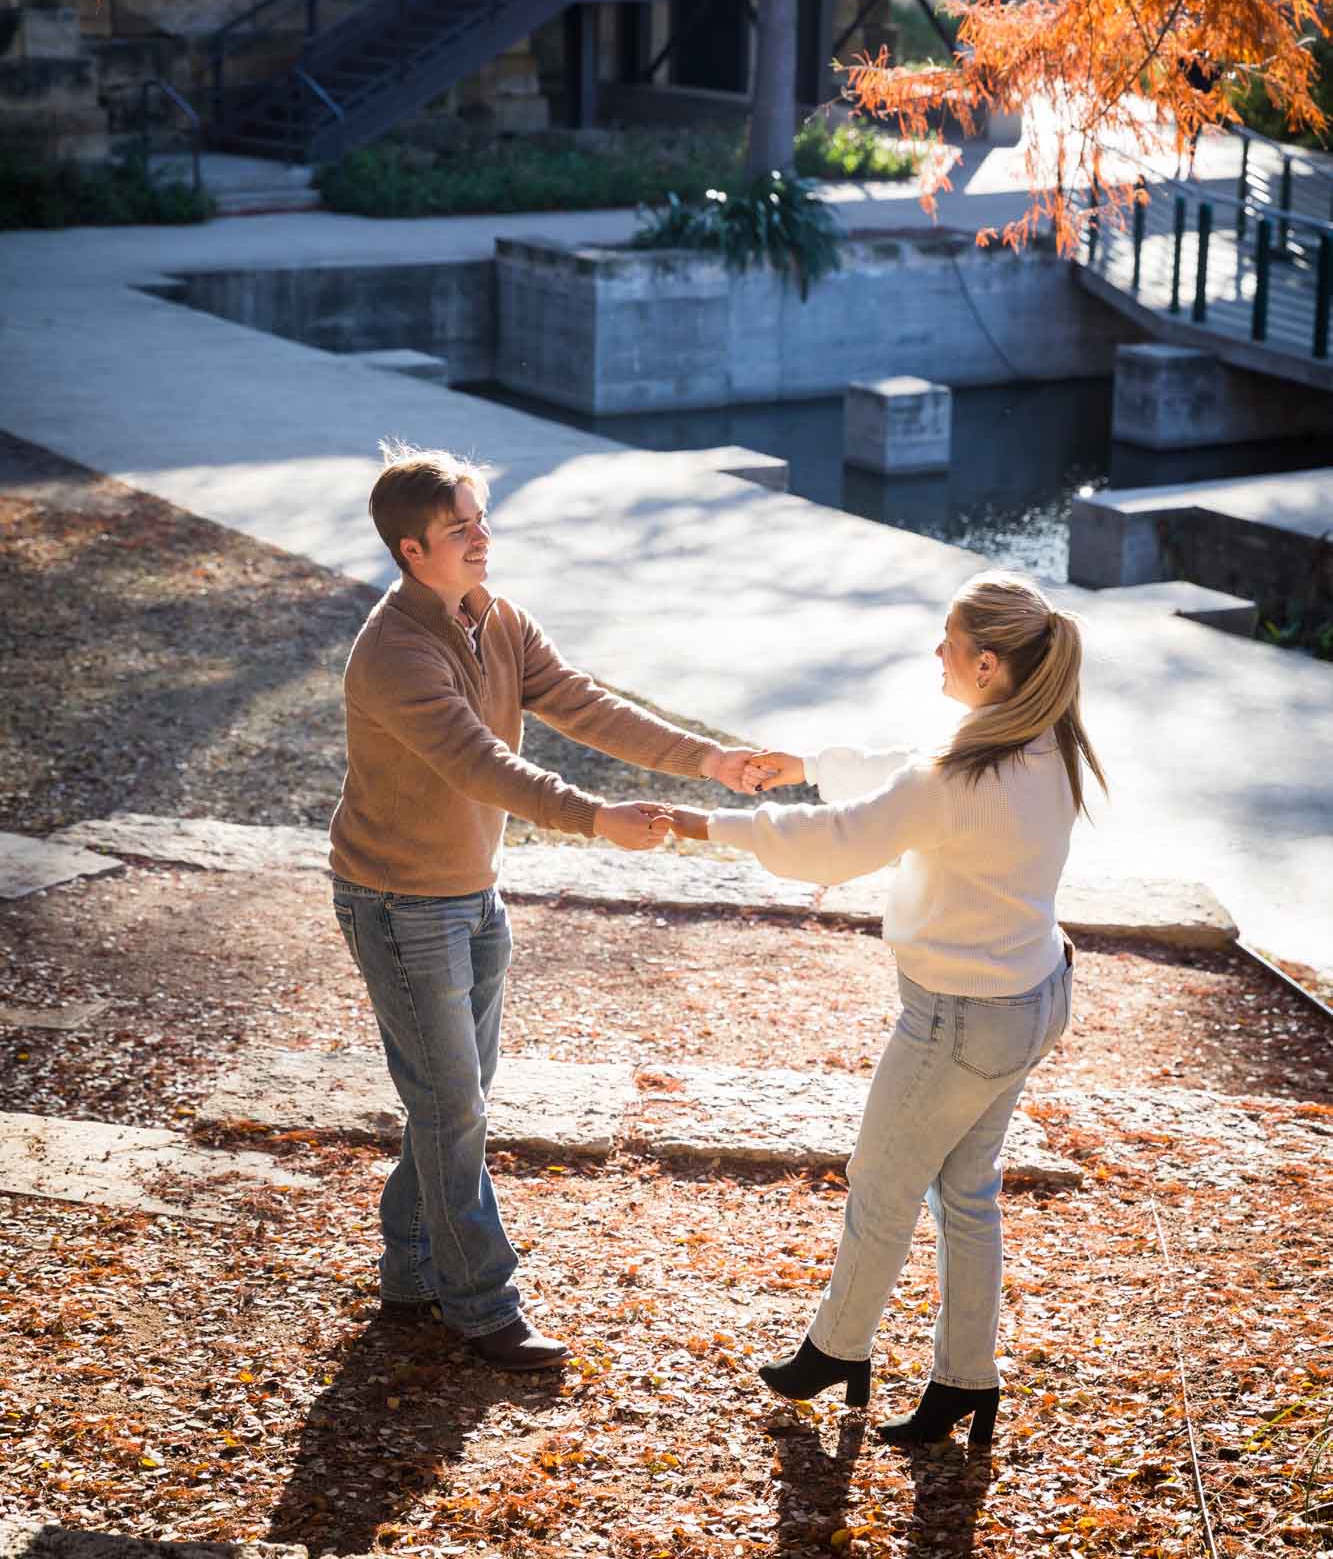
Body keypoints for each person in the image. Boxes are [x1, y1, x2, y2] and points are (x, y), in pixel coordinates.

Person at [329, 442, 766, 1371]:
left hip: (470, 893)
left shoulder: (492, 615)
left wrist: (706, 760)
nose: (482, 537)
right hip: (399, 903)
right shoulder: (395, 654)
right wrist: (592, 817)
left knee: (452, 1102)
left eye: (480, 519)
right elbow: (480, 763)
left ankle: (410, 1276)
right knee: (452, 1109)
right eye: (460, 528)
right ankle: (482, 1306)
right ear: (413, 551)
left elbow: (582, 703)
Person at [658, 570, 1106, 1448]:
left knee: (883, 1185)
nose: (933, 653)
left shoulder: (959, 771)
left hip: (960, 1019)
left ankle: (837, 1348)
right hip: (1031, 997)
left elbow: (844, 838)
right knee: (965, 1191)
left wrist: (703, 824)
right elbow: (913, 779)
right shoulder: (1047, 737)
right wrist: (809, 766)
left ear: (983, 663)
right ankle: (965, 1380)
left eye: (945, 641)